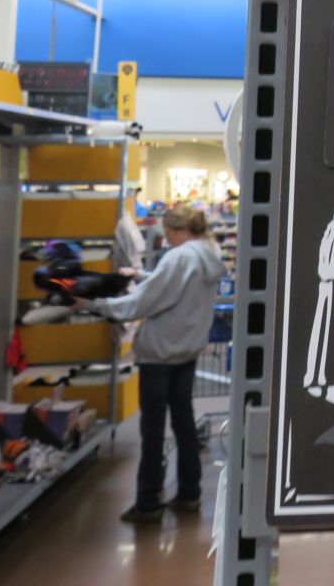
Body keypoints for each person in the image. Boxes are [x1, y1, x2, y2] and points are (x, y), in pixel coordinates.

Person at [85, 204, 226, 522]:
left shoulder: (178, 257)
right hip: (186, 351)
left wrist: (98, 305)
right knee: (184, 422)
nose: (166, 239)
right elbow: (177, 286)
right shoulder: (208, 254)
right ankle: (189, 493)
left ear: (178, 230)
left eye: (167, 233)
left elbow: (142, 302)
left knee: (152, 429)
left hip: (159, 354)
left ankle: (148, 501)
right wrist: (142, 276)